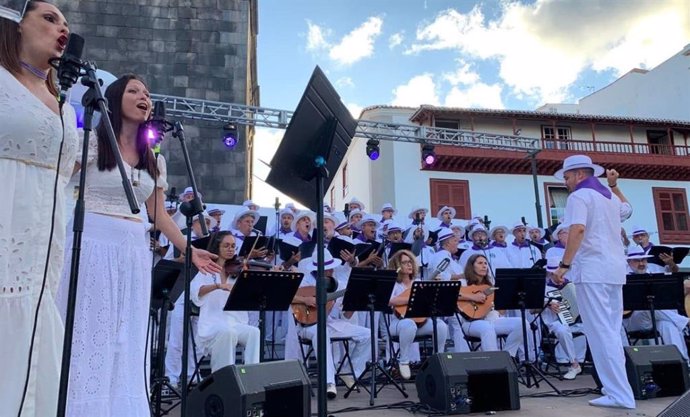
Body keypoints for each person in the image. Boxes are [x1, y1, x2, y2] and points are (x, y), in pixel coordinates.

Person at [56, 74, 220, 417]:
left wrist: (188, 248)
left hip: (134, 250)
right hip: (92, 243)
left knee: (126, 336)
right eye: (134, 91)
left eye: (146, 92)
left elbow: (157, 212)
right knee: (91, 330)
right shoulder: (90, 143)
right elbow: (55, 180)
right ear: (115, 100)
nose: (144, 96)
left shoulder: (153, 159)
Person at [0, 3, 76, 416]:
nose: (62, 27)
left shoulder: (64, 104)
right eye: (49, 18)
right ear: (14, 23)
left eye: (66, 23)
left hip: (42, 253)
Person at [552, 154, 635, 409]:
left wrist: (564, 265)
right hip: (614, 272)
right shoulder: (608, 197)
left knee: (601, 333)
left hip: (592, 271)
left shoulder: (579, 196)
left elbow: (577, 230)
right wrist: (614, 185)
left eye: (566, 177)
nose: (565, 182)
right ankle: (619, 392)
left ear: (579, 174)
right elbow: (628, 209)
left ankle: (620, 395)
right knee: (610, 331)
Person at [190, 232, 260, 371]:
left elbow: (249, 296)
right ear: (217, 247)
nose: (230, 249)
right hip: (212, 324)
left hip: (235, 322)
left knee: (254, 332)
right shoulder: (206, 269)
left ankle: (253, 373)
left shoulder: (236, 271)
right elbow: (196, 293)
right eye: (226, 245)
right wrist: (217, 286)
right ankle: (225, 377)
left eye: (233, 246)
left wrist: (247, 280)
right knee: (228, 332)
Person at [387, 250, 448, 379]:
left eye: (410, 262)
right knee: (408, 324)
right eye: (404, 262)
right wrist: (412, 298)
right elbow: (389, 301)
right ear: (397, 266)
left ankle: (438, 360)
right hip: (398, 324)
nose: (409, 265)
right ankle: (403, 361)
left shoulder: (419, 281)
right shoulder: (394, 284)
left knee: (441, 325)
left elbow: (431, 302)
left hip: (420, 323)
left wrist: (435, 289)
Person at [455, 254, 531, 358]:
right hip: (471, 323)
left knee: (522, 323)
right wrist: (473, 297)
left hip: (493, 320)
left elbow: (501, 312)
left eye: (486, 263)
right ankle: (495, 362)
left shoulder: (491, 285)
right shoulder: (463, 282)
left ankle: (508, 357)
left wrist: (501, 301)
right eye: (480, 263)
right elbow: (452, 295)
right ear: (472, 266)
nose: (484, 266)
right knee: (487, 328)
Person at [624, 245, 689, 360]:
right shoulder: (623, 276)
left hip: (654, 317)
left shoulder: (652, 272)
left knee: (669, 326)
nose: (641, 263)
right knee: (649, 307)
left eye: (643, 260)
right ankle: (685, 323)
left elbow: (673, 273)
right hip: (631, 320)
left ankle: (682, 362)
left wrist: (671, 264)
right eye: (637, 261)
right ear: (629, 262)